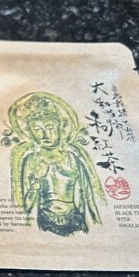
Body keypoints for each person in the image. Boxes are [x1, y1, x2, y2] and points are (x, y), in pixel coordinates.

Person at [8, 91, 105, 236]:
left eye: (50, 128)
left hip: (74, 217)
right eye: (37, 129)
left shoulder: (73, 158)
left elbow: (88, 196)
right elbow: (24, 206)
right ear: (30, 132)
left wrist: (96, 222)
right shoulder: (31, 160)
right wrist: (34, 187)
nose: (44, 135)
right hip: (44, 219)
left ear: (61, 127)